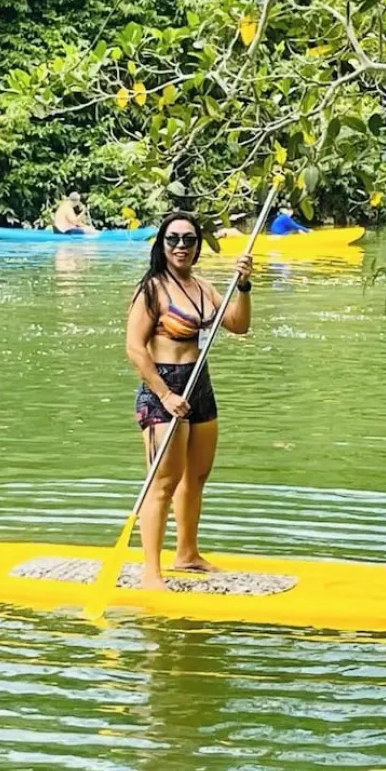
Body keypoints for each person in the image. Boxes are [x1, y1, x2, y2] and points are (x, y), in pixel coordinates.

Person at [126, 211, 253, 590]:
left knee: (196, 476)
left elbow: (239, 326)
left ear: (198, 246)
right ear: (162, 245)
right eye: (173, 239)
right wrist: (165, 395)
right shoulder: (151, 289)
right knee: (163, 483)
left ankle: (187, 554)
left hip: (200, 384)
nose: (181, 246)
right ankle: (151, 571)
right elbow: (134, 349)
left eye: (189, 240)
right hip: (163, 387)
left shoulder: (203, 287)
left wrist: (243, 287)